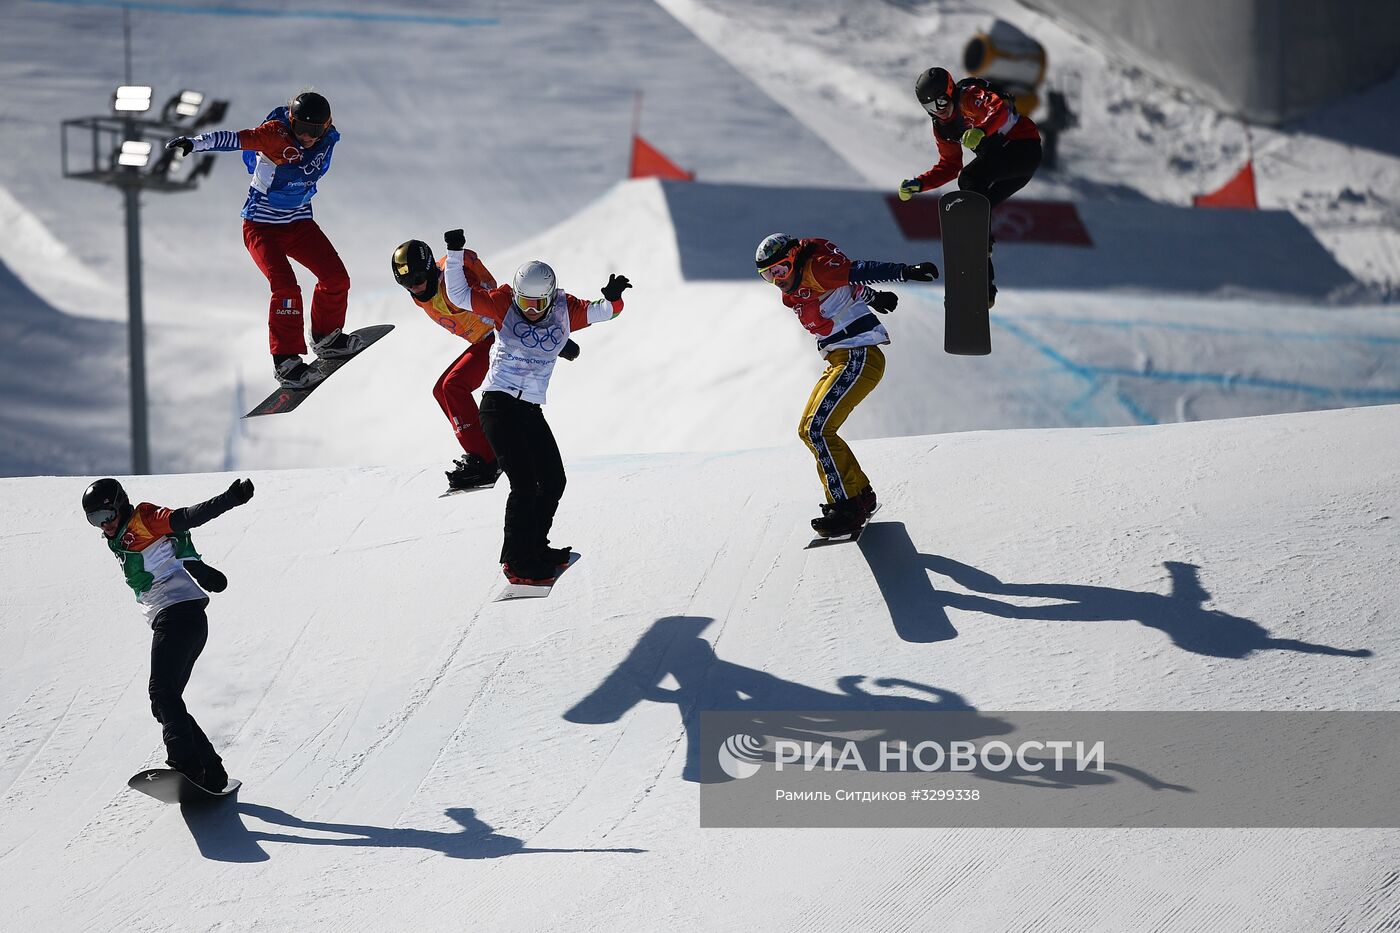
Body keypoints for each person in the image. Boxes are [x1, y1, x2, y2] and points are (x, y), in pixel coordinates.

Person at [441, 228, 630, 584]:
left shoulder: (563, 309)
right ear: (516, 294)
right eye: (524, 302)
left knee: (554, 480)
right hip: (498, 405)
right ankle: (515, 563)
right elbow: (459, 295)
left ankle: (535, 548)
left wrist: (614, 298)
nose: (530, 310)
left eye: (538, 304)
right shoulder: (502, 303)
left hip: (529, 409)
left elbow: (607, 312)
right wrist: (455, 252)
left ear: (549, 298)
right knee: (524, 484)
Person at [166, 90, 360, 388]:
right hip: (261, 227)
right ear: (291, 122)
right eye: (301, 129)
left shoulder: (327, 136)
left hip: (299, 223)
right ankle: (285, 362)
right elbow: (231, 139)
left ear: (327, 126)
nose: (307, 138)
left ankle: (327, 337)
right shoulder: (274, 135)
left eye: (314, 131)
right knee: (285, 288)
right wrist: (194, 143)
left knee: (336, 279)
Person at [754, 233, 938, 538]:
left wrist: (905, 271)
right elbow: (844, 288)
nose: (777, 280)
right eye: (767, 275)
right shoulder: (801, 287)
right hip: (842, 359)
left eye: (780, 270)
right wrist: (873, 297)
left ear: (795, 258)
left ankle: (847, 507)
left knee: (818, 430)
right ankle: (859, 495)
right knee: (807, 430)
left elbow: (858, 269)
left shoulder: (817, 268)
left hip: (857, 354)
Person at [82, 476, 255, 792]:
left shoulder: (144, 519)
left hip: (178, 613)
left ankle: (186, 765)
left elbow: (187, 518)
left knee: (162, 693)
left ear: (120, 505)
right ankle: (211, 773)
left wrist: (229, 499)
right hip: (178, 618)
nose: (103, 525)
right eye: (94, 520)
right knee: (164, 700)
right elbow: (175, 543)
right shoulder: (117, 535)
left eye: (105, 516)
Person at [391, 239, 580, 492]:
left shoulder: (453, 279)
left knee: (453, 385)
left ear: (429, 269)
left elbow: (495, 300)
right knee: (442, 391)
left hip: (498, 338)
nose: (415, 287)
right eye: (406, 283)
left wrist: (547, 335)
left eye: (417, 278)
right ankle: (485, 453)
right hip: (487, 339)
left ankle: (486, 460)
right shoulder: (422, 292)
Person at [897, 67, 1043, 307]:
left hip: (1022, 148)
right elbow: (949, 165)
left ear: (950, 91)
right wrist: (920, 183)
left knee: (970, 179)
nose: (940, 110)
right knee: (978, 207)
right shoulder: (942, 127)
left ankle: (979, 242)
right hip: (1006, 166)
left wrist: (981, 130)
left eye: (942, 101)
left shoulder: (968, 96)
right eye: (931, 107)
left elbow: (1001, 110)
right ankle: (985, 286)